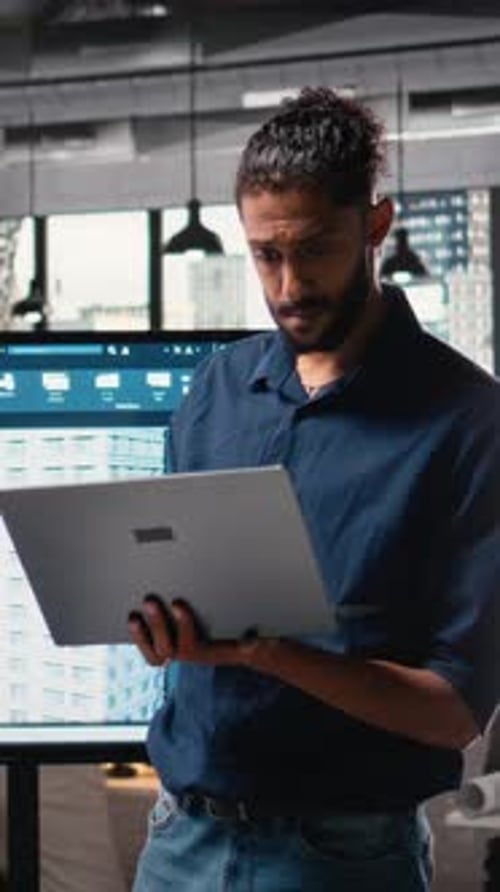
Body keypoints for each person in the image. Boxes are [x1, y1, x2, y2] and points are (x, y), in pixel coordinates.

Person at [128, 86, 500, 891]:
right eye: (266, 255)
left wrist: (273, 654)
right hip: (177, 843)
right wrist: (160, 629)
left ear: (375, 225)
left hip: (342, 860)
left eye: (315, 249)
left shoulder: (470, 422)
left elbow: (454, 710)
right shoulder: (216, 389)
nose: (289, 284)